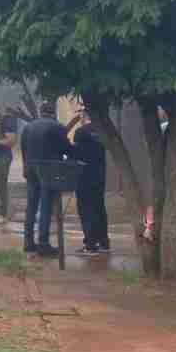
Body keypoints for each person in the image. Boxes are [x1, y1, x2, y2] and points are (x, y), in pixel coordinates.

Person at [20, 101, 72, 256]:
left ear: (41, 111)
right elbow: (66, 149)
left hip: (30, 169)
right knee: (46, 207)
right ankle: (43, 243)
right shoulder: (57, 127)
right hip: (48, 170)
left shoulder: (28, 127)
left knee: (31, 206)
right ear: (53, 113)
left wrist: (25, 166)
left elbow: (23, 149)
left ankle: (28, 242)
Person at [72, 108, 110, 255]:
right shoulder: (103, 132)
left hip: (84, 175)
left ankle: (90, 244)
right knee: (99, 207)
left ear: (84, 116)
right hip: (100, 174)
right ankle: (104, 242)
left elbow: (76, 152)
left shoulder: (81, 132)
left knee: (86, 209)